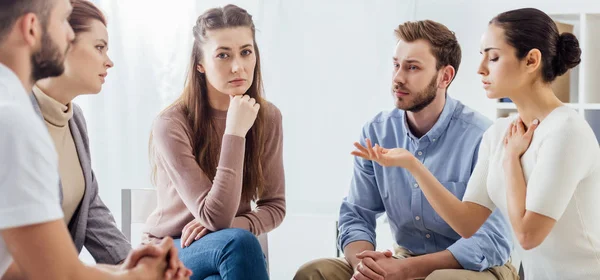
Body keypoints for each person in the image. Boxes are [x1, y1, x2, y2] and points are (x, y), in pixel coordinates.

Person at [354, 8, 600, 280]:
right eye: (482, 55)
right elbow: (467, 222)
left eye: (493, 57)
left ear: (531, 60)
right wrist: (413, 164)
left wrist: (510, 163)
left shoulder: (566, 131)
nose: (480, 68)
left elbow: (529, 235)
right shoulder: (500, 132)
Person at [296, 20, 516, 280]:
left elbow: (492, 240)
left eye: (412, 67)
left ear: (445, 76)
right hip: (402, 259)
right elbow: (356, 214)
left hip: (474, 269)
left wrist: (405, 270)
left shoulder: (481, 137)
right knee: (314, 273)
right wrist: (365, 269)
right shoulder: (377, 132)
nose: (398, 78)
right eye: (396, 65)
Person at [0, 0, 188, 279]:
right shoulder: (15, 121)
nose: (109, 60)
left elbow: (90, 211)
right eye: (99, 47)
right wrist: (140, 276)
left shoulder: (72, 120)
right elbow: (58, 273)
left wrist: (129, 265)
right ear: (32, 29)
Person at [143, 4, 285, 280]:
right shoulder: (171, 124)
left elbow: (275, 207)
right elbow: (215, 216)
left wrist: (231, 225)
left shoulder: (268, 117)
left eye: (246, 52)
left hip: (225, 245)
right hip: (172, 248)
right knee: (239, 243)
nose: (237, 66)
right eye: (222, 55)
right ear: (200, 64)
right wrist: (235, 131)